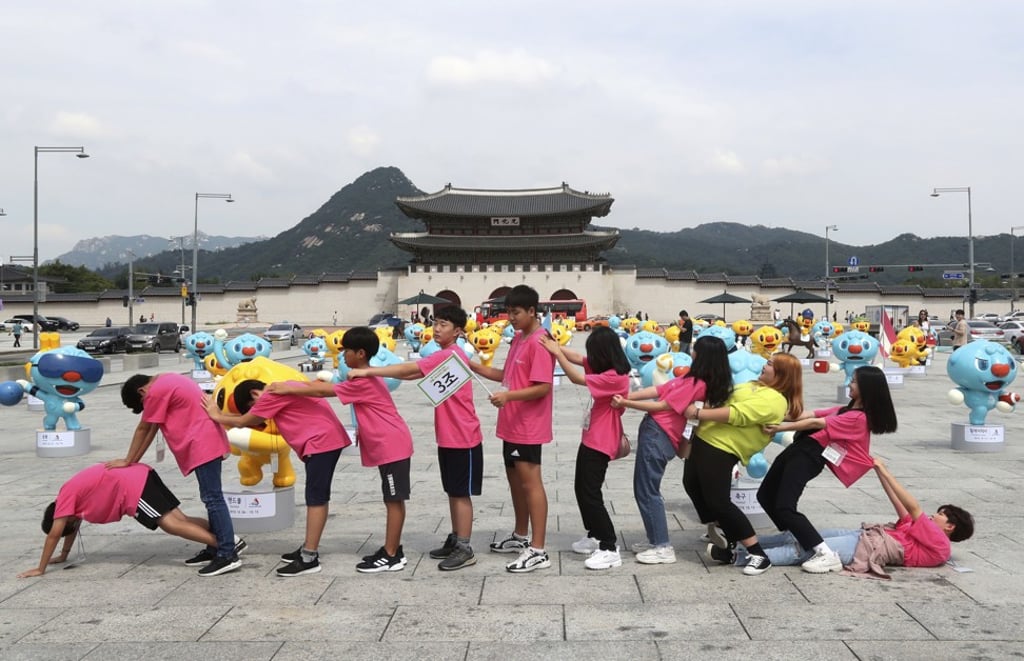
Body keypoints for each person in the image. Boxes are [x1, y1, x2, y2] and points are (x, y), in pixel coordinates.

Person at [267, 326, 414, 573]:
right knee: (391, 498)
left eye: (346, 350)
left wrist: (287, 388)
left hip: (392, 444)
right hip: (388, 443)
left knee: (394, 499)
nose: (342, 354)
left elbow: (327, 391)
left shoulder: (364, 379)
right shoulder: (363, 375)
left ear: (360, 353)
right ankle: (391, 548)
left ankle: (392, 555)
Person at [347, 306, 483, 572]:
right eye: (436, 323)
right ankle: (456, 538)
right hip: (449, 436)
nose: (437, 328)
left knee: (461, 493)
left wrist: (368, 372)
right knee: (453, 490)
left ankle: (465, 548)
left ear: (457, 331)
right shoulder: (446, 354)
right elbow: (413, 374)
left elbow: (409, 368)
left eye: (444, 324)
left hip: (463, 436)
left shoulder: (451, 353)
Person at [203, 376, 353, 577]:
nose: (263, 413)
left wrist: (217, 415)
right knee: (316, 496)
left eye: (253, 405)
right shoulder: (289, 383)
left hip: (321, 443)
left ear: (254, 394)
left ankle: (309, 556)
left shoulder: (272, 394)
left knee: (316, 499)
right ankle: (307, 547)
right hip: (327, 440)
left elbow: (244, 421)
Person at [754, 366, 898, 574]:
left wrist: (778, 428)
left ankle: (825, 554)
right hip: (797, 451)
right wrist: (773, 414)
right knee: (765, 496)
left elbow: (814, 422)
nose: (850, 383)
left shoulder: (858, 418)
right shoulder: (844, 410)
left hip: (808, 457)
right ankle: (796, 535)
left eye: (855, 381)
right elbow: (807, 414)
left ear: (867, 388)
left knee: (785, 506)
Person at [727, 459, 974, 573]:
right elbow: (901, 507)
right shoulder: (926, 533)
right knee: (800, 535)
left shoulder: (940, 544)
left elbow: (913, 508)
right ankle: (742, 543)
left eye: (941, 515)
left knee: (803, 550)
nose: (934, 515)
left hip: (865, 547)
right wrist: (879, 471)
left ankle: (735, 556)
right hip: (864, 536)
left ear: (950, 526)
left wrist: (887, 473)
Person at [611, 335, 733, 564]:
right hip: (655, 431)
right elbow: (660, 389)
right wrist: (625, 395)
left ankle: (662, 546)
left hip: (660, 434)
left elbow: (661, 405)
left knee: (648, 490)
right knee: (644, 488)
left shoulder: (698, 384)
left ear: (704, 356)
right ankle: (654, 538)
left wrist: (626, 403)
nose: (692, 351)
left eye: (696, 349)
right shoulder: (691, 377)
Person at [682, 353, 804, 576]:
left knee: (719, 501)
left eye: (768, 364)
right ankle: (729, 541)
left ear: (781, 373)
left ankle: (757, 553)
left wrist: (700, 412)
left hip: (723, 448)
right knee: (691, 484)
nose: (763, 366)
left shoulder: (775, 400)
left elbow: (737, 414)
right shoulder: (750, 386)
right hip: (704, 440)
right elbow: (724, 400)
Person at [115, 373, 243, 576]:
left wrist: (127, 461)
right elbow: (152, 428)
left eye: (143, 403)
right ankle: (216, 547)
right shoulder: (168, 380)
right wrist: (133, 460)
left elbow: (144, 428)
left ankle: (227, 552)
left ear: (142, 391)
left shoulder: (156, 391)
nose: (146, 406)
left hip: (202, 443)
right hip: (206, 440)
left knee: (213, 498)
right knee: (211, 498)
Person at [468, 284, 555, 573]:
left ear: (532, 311)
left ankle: (539, 549)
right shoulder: (519, 338)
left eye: (516, 312)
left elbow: (542, 387)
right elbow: (508, 375)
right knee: (515, 482)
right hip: (511, 423)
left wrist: (509, 397)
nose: (511, 318)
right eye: (509, 312)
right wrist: (473, 366)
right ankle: (520, 536)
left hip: (528, 426)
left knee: (531, 484)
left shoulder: (540, 342)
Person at [18, 463, 226, 578]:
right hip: (140, 473)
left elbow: (55, 533)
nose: (71, 525)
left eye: (65, 524)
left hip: (132, 487)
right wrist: (63, 555)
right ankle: (225, 537)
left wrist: (40, 568)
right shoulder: (69, 502)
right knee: (181, 519)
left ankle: (226, 547)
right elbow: (71, 528)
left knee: (171, 525)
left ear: (59, 518)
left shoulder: (65, 503)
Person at [540, 327, 631, 570]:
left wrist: (556, 354)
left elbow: (577, 377)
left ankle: (610, 546)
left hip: (602, 440)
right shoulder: (606, 368)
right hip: (592, 437)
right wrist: (557, 346)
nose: (589, 356)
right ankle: (594, 534)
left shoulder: (615, 377)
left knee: (591, 492)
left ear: (603, 353)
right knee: (581, 488)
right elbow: (579, 359)